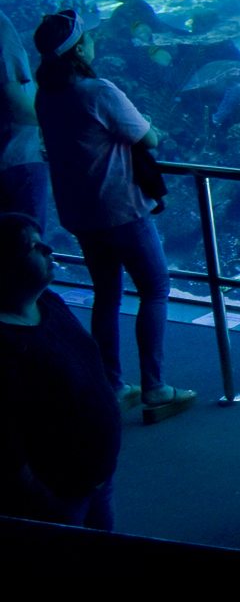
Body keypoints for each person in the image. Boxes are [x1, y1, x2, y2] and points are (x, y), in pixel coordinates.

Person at [32, 11, 195, 423]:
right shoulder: (97, 90)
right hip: (121, 210)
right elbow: (149, 138)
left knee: (107, 293)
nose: (93, 41)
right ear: (79, 49)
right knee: (155, 289)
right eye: (87, 37)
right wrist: (148, 123)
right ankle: (156, 387)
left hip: (81, 214)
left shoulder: (44, 94)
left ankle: (113, 384)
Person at [0, 213, 120, 527]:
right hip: (57, 498)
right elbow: (5, 449)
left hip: (96, 479)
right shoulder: (4, 345)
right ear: (6, 265)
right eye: (33, 247)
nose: (48, 249)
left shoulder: (49, 302)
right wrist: (46, 505)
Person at [1, 16, 53, 233]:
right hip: (17, 157)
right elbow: (15, 103)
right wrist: (59, 129)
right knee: (26, 246)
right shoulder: (1, 25)